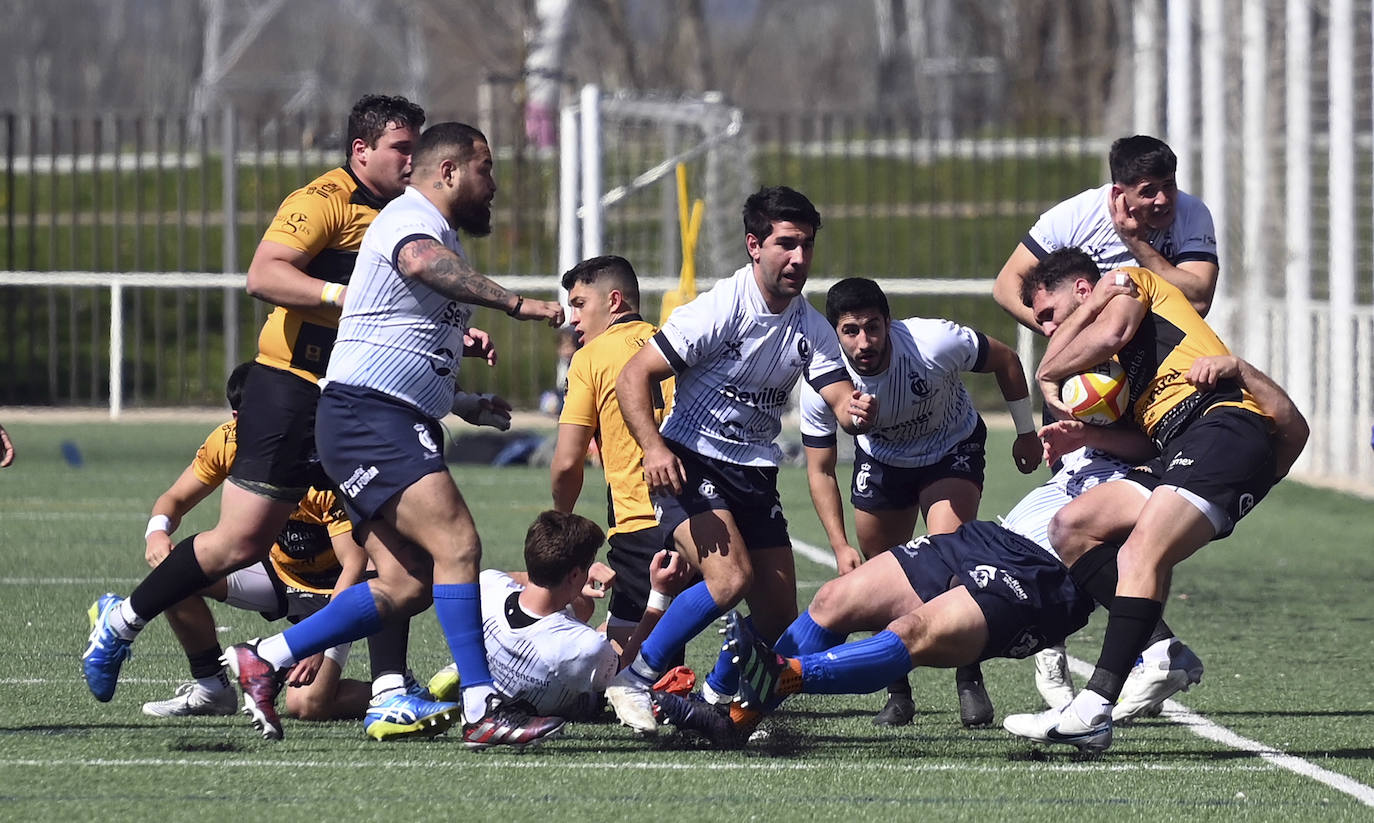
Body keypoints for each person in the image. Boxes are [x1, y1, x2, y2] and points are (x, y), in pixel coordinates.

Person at [655, 352, 1305, 750]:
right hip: (988, 536)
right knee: (836, 598)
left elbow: (1291, 431)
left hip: (1044, 581)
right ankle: (731, 708)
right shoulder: (1126, 434)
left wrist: (1242, 373)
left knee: (911, 632)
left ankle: (759, 692)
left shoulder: (1201, 480)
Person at [220, 121, 568, 748]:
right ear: (450, 172)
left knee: (406, 585)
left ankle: (263, 657)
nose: (494, 184)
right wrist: (520, 305)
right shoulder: (413, 220)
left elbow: (398, 333)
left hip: (374, 416)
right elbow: (417, 262)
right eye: (486, 169)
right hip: (370, 416)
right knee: (459, 544)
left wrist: (463, 400)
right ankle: (482, 706)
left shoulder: (435, 231)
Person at [81, 94, 432, 709]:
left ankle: (391, 693)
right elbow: (264, 275)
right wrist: (339, 294)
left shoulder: (408, 211)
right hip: (293, 389)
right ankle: (122, 621)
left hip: (356, 397)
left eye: (416, 148)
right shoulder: (322, 200)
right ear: (361, 150)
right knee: (237, 544)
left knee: (397, 547)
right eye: (402, 148)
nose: (412, 160)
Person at [1000, 248, 1300, 752]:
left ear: (1083, 291)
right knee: (1072, 526)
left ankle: (1094, 707)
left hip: (1219, 426)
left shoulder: (1127, 281)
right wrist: (1088, 439)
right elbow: (1143, 442)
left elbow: (1110, 330)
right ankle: (1160, 646)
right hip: (1181, 447)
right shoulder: (1121, 371)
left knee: (1142, 551)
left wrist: (1047, 373)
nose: (1048, 328)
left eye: (1048, 314)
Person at [602, 185, 877, 735]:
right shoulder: (720, 309)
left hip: (754, 474)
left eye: (806, 246)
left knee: (778, 618)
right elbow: (635, 376)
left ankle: (716, 695)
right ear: (754, 245)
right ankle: (634, 675)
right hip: (690, 462)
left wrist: (854, 408)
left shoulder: (810, 327)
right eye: (786, 245)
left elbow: (837, 392)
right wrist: (654, 447)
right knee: (730, 581)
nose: (799, 259)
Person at [990, 134, 1219, 712]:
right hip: (1079, 381)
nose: (1165, 199)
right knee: (1065, 512)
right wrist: (1066, 337)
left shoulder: (1189, 214)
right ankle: (1134, 649)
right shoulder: (1074, 215)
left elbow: (1198, 296)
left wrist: (1138, 242)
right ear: (1118, 191)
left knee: (1069, 524)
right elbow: (1007, 285)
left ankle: (1143, 650)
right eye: (1149, 192)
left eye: (1168, 185)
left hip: (1144, 385)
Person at [798, 276, 1041, 727]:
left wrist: (1026, 431)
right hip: (884, 462)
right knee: (878, 572)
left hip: (951, 447)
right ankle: (898, 692)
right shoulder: (822, 380)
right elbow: (820, 469)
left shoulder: (934, 342)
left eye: (873, 327)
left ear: (890, 323)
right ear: (834, 333)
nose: (865, 341)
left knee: (948, 556)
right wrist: (838, 545)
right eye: (851, 330)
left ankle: (969, 677)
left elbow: (1006, 358)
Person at [130, 362, 370, 723]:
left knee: (305, 706)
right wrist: (157, 532)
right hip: (276, 572)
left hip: (334, 591)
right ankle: (212, 688)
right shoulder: (227, 441)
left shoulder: (320, 461)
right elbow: (174, 500)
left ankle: (399, 689)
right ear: (240, 415)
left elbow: (356, 563)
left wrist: (319, 639)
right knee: (174, 576)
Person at [427, 510, 692, 718]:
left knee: (583, 608)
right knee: (609, 633)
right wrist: (659, 596)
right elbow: (626, 674)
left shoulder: (488, 586)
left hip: (508, 655)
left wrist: (573, 587)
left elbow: (518, 580)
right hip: (572, 695)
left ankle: (465, 669)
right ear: (575, 573)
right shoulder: (582, 645)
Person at [550, 255, 676, 657]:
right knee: (657, 646)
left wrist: (561, 523)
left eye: (580, 303)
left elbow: (568, 462)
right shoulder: (676, 342)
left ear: (615, 300)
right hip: (695, 519)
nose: (573, 317)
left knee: (624, 675)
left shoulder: (591, 357)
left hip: (640, 523)